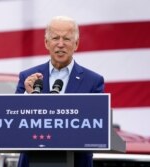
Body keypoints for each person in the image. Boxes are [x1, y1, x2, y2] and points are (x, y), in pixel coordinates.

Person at [15, 16, 104, 167]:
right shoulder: (28, 77)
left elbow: (95, 126)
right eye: (55, 38)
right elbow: (14, 123)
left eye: (67, 39)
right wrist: (28, 96)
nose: (60, 44)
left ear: (76, 44)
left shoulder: (93, 81)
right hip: (33, 161)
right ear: (46, 43)